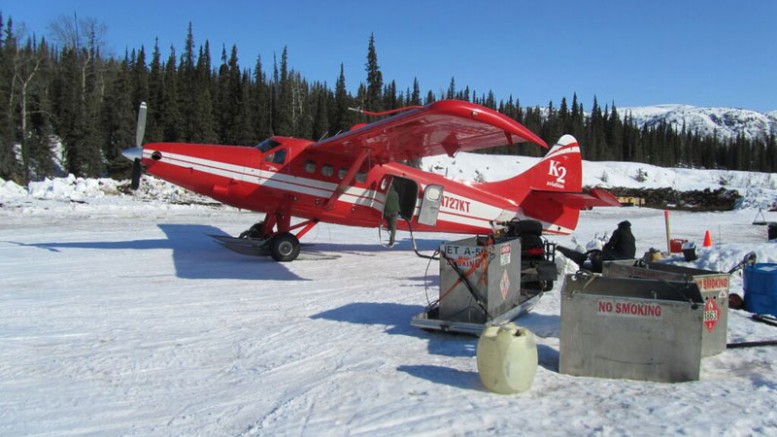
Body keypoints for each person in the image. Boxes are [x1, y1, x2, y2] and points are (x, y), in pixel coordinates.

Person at [556, 220, 636, 271]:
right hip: (629, 256)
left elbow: (611, 244)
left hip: (620, 256)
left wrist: (604, 249)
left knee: (605, 252)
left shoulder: (619, 232)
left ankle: (600, 265)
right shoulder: (631, 235)